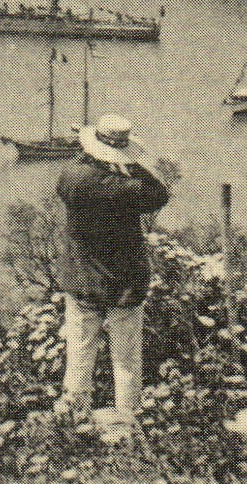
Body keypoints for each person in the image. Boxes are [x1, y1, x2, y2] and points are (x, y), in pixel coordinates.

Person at [54, 114, 169, 444]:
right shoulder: (125, 188)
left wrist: (96, 154)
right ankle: (128, 424)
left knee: (79, 352)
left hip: (82, 280)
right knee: (126, 359)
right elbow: (159, 193)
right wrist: (130, 163)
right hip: (124, 283)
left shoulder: (71, 177)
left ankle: (74, 419)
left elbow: (81, 167)